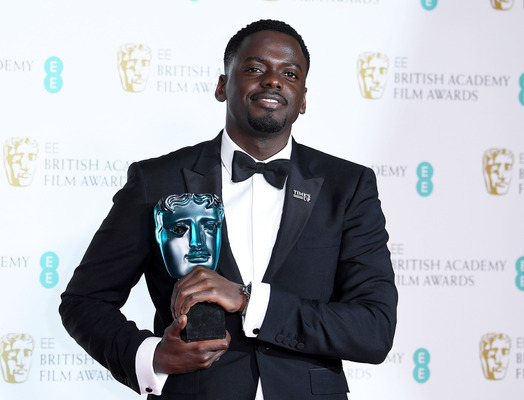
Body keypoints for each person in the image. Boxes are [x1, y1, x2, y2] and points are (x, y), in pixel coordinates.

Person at [60, 19, 397, 399]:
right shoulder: (157, 180)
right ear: (222, 86)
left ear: (303, 98)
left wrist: (249, 300)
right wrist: (152, 356)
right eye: (255, 69)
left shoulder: (347, 186)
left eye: (289, 74)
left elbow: (374, 329)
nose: (273, 81)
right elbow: (84, 302)